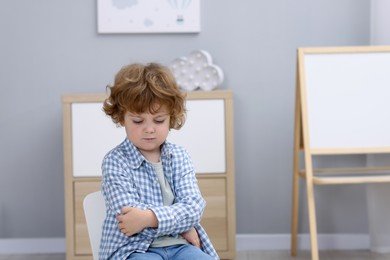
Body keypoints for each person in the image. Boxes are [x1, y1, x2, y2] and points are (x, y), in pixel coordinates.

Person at [100, 63, 219, 260]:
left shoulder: (179, 157)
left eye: (159, 120)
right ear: (122, 118)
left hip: (180, 246)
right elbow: (129, 221)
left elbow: (194, 208)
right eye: (138, 121)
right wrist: (181, 226)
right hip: (134, 249)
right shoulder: (115, 161)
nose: (149, 129)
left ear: (171, 118)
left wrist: (148, 218)